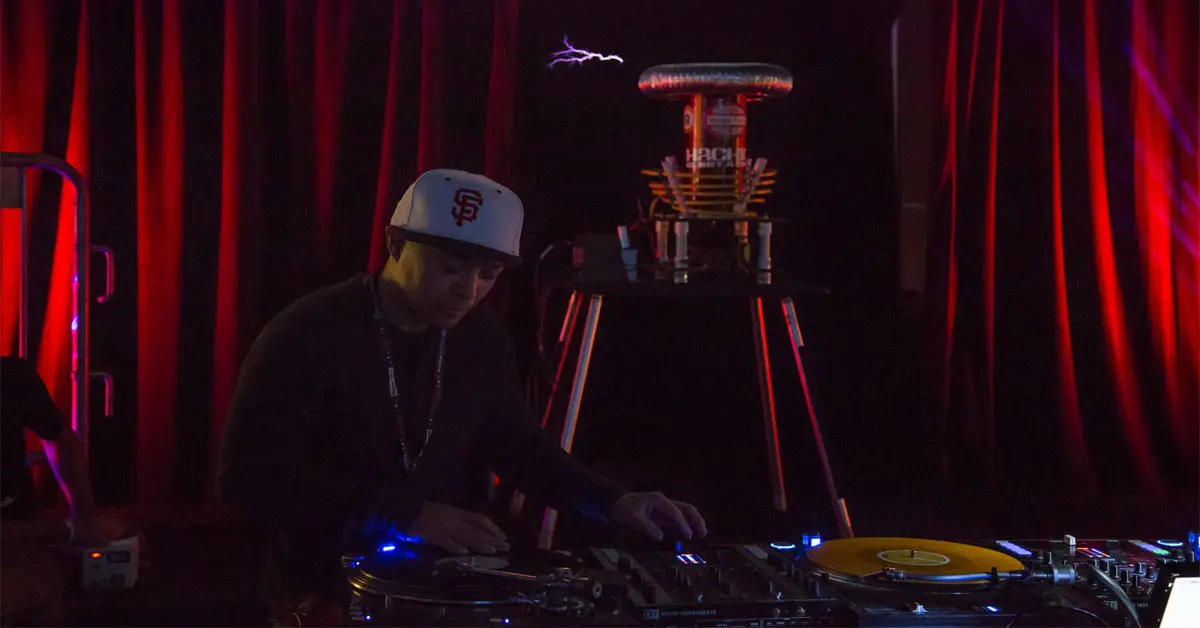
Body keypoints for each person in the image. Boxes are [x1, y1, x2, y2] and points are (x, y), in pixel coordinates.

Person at [217, 169, 707, 624]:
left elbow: (517, 446)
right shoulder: (307, 333)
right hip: (321, 584)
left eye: (488, 274)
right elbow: (248, 477)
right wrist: (403, 516)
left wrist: (613, 500)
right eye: (451, 268)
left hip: (442, 582)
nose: (469, 291)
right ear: (395, 243)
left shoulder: (481, 337)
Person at [1, 356, 128, 625]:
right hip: (16, 538)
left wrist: (86, 514)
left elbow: (60, 438)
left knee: (126, 540)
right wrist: (70, 529)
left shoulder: (11, 375)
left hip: (23, 525)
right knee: (37, 581)